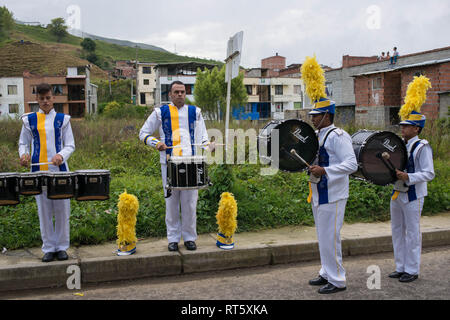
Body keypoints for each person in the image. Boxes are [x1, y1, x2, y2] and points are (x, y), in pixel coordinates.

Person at [301, 56, 358, 294]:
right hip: (318, 193)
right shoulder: (319, 135)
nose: (312, 118)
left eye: (316, 115)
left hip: (333, 194)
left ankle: (337, 280)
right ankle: (326, 272)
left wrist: (325, 170)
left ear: (327, 116)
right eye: (313, 114)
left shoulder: (338, 136)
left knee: (331, 237)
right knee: (323, 236)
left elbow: (351, 164)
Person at [139, 81, 214, 252]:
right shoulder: (160, 112)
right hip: (169, 163)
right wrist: (156, 143)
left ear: (185, 94)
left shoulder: (195, 112)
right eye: (176, 92)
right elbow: (143, 133)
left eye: (182, 91)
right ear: (170, 95)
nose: (180, 94)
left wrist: (208, 145)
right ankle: (172, 239)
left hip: (191, 163)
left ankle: (189, 238)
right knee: (171, 203)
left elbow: (203, 136)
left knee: (190, 203)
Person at [18, 83, 75, 263]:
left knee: (62, 210)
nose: (45, 101)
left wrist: (61, 155)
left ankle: (62, 247)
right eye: (42, 99)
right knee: (44, 211)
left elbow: (70, 145)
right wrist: (24, 155)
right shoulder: (29, 120)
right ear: (37, 100)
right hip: (38, 170)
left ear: (53, 98)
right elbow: (23, 143)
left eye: (48, 98)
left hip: (60, 171)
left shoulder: (63, 119)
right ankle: (49, 248)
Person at [389, 76, 434, 283]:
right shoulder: (401, 144)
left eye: (407, 126)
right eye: (403, 126)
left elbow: (429, 173)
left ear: (416, 129)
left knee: (413, 233)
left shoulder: (422, 146)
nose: (403, 129)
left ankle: (412, 269)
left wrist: (409, 176)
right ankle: (400, 266)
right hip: (397, 192)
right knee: (397, 231)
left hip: (414, 195)